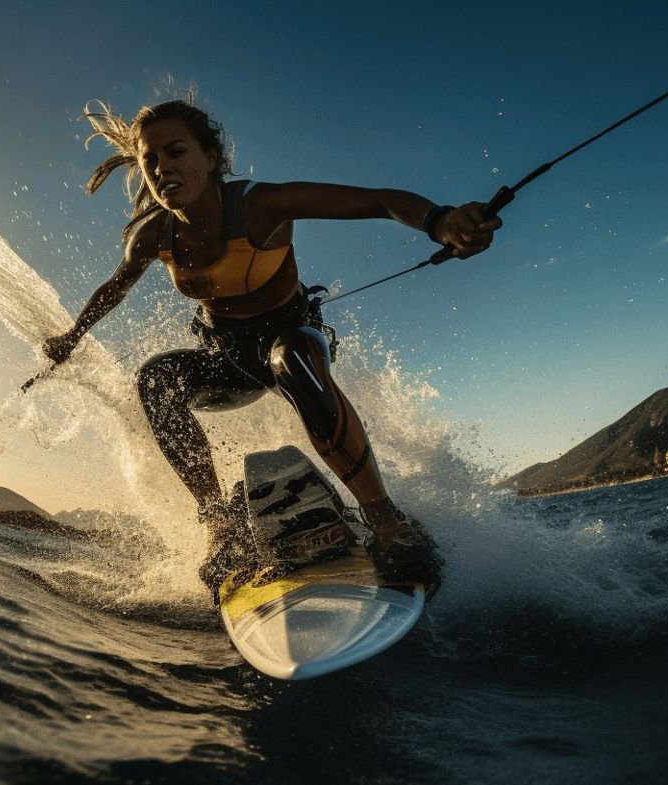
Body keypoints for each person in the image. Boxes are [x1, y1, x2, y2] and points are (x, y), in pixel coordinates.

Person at [39, 99, 500, 593]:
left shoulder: (262, 205)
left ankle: (387, 520)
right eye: (150, 160)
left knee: (292, 359)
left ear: (211, 157)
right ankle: (222, 528)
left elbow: (378, 200)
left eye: (176, 152)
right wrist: (71, 336)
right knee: (156, 379)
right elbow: (114, 288)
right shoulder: (152, 236)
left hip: (294, 340)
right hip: (230, 362)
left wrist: (440, 220)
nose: (161, 167)